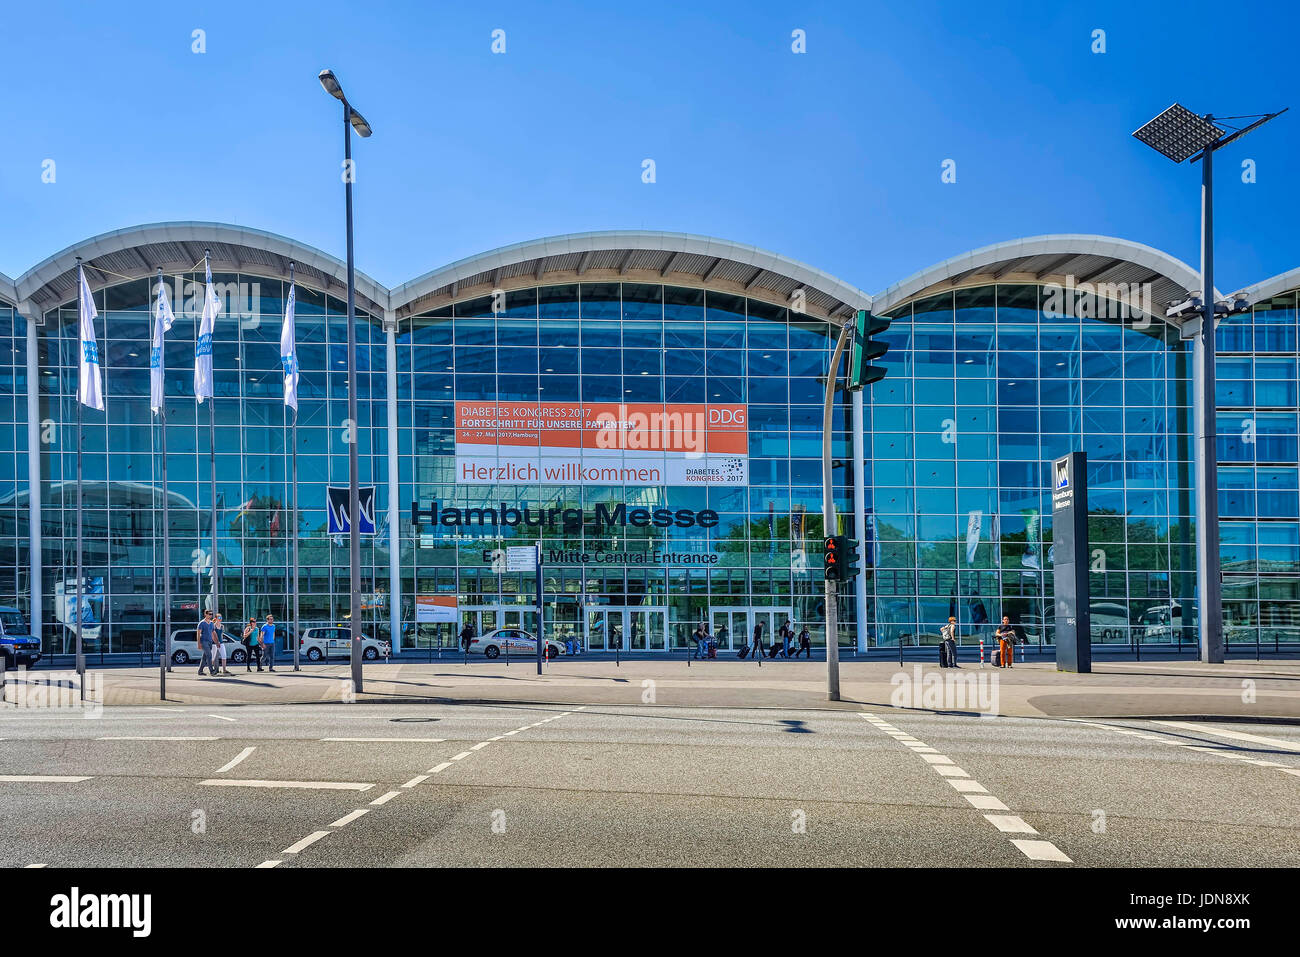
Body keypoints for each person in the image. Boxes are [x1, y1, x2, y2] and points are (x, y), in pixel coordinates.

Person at [195, 609, 216, 676]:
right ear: (205, 614)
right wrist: (198, 643)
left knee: (204, 657)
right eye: (209, 614)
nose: (211, 615)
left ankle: (200, 671)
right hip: (204, 641)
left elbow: (213, 633)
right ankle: (211, 671)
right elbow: (198, 634)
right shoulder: (201, 623)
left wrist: (216, 642)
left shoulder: (212, 623)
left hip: (210, 642)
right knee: (209, 656)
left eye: (211, 614)